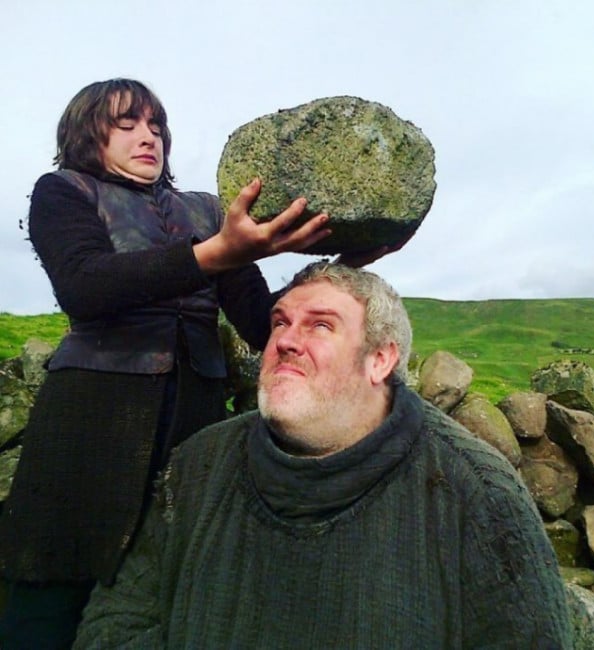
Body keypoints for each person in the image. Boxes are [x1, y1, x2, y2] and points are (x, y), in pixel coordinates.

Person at [0, 79, 392, 649]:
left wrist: (346, 261)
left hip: (194, 425)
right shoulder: (64, 191)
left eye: (156, 126)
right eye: (127, 124)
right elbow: (83, 285)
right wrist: (214, 253)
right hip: (89, 427)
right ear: (87, 134)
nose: (148, 137)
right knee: (48, 601)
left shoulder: (207, 211)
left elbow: (260, 320)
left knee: (164, 596)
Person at [73, 261, 573, 649]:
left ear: (380, 359)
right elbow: (116, 622)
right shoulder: (198, 466)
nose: (286, 341)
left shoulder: (475, 492)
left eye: (320, 326)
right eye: (280, 322)